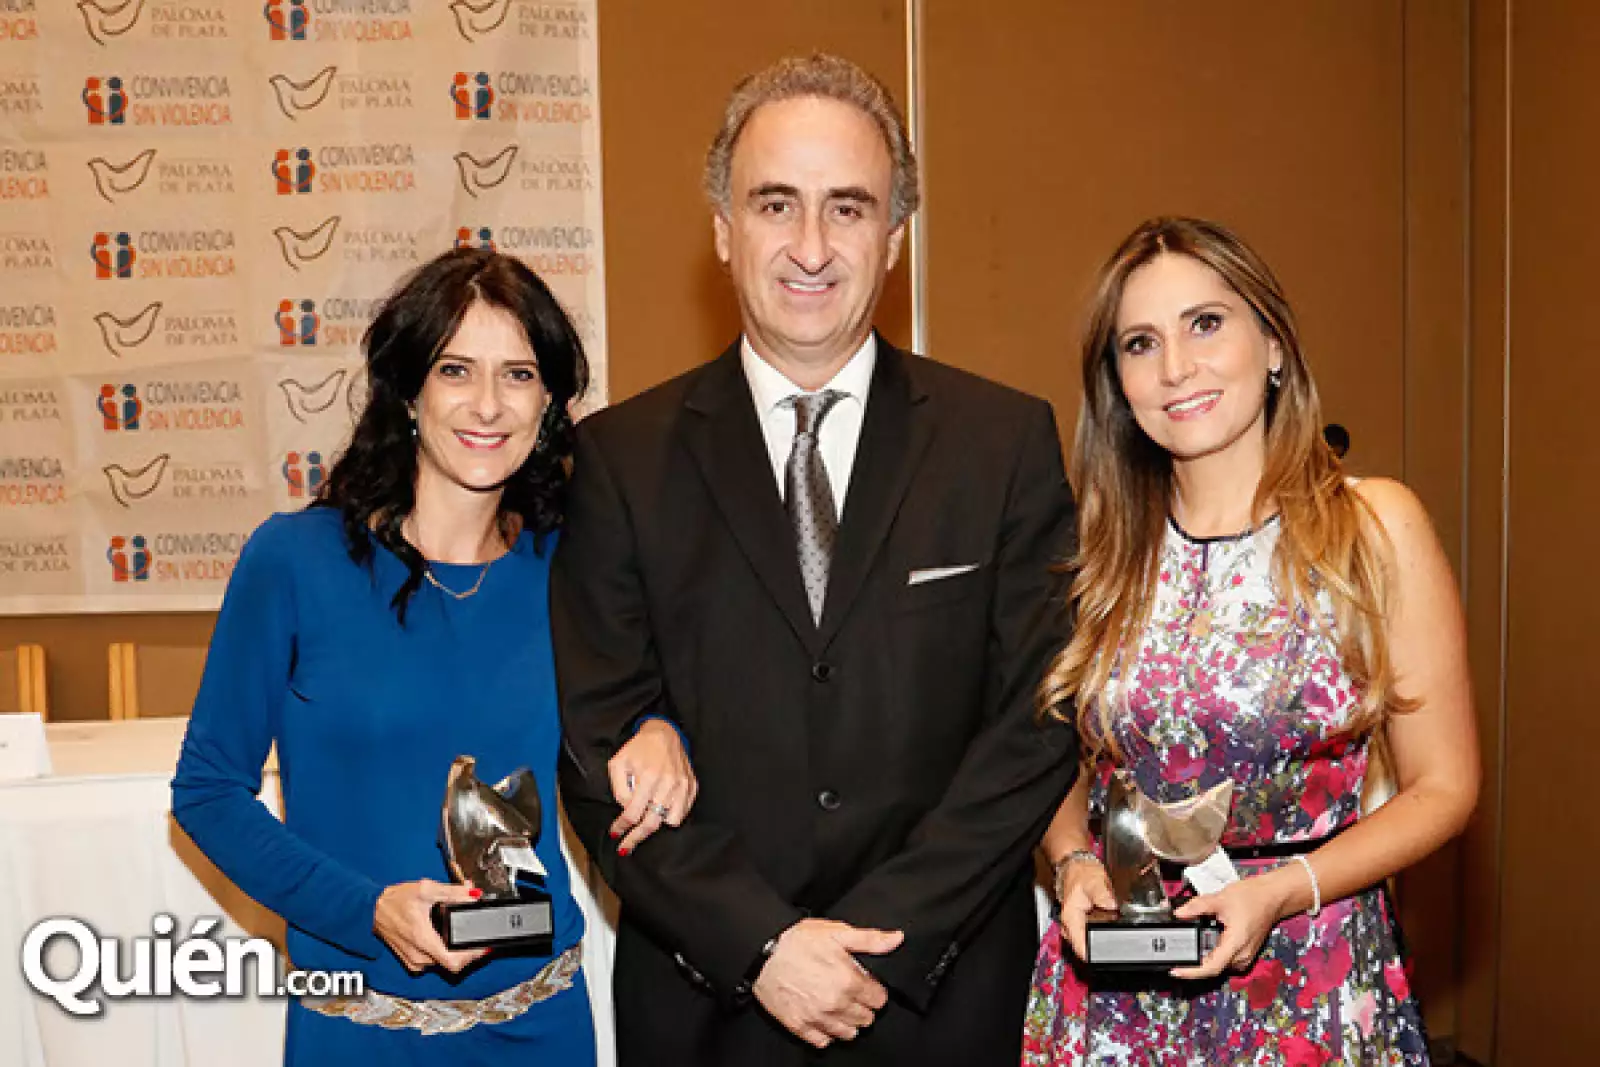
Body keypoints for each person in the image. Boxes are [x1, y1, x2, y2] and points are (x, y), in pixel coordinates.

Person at [551, 53, 1079, 1066]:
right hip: (711, 1003)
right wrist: (764, 944)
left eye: (847, 207)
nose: (807, 245)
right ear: (721, 229)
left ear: (893, 238)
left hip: (940, 995)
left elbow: (1036, 723)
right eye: (773, 203)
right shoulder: (621, 458)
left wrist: (875, 940)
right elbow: (597, 742)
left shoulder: (1002, 443)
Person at [170, 248, 695, 1065]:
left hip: (541, 1024)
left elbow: (650, 701)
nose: (487, 404)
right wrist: (367, 908)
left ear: (550, 400)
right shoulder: (294, 562)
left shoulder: (574, 565)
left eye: (518, 374)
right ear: (409, 389)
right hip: (361, 1032)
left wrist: (663, 726)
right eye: (456, 368)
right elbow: (207, 793)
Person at [1023, 217, 1479, 1065]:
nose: (1175, 369)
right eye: (1139, 343)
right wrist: (1073, 861)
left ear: (1272, 343)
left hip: (1311, 970)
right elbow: (1053, 764)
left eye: (1206, 324)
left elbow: (1444, 784)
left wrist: (1281, 891)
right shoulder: (1096, 552)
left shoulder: (1373, 528)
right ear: (1117, 381)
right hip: (1117, 1005)